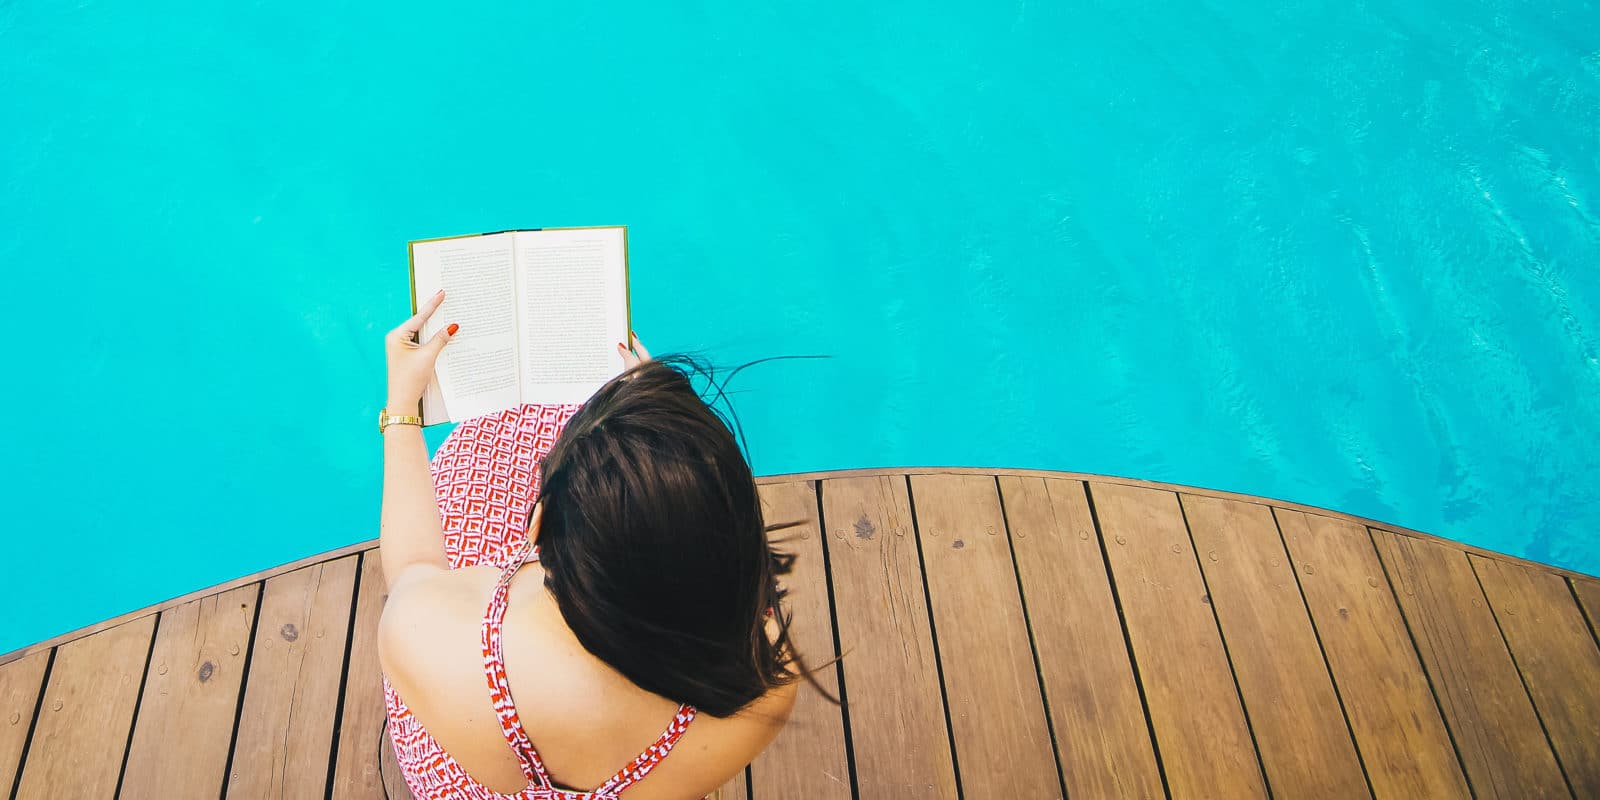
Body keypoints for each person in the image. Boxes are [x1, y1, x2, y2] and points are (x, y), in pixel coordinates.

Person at [376, 290, 802, 799]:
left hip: (478, 739)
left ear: (535, 528)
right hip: (654, 773)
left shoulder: (434, 645)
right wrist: (660, 419)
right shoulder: (767, 686)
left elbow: (413, 568)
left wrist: (401, 410)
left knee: (467, 460)